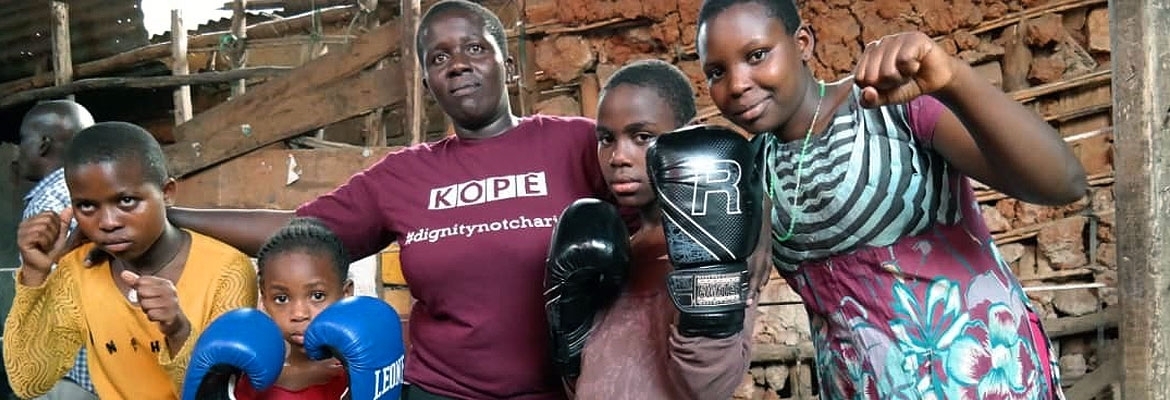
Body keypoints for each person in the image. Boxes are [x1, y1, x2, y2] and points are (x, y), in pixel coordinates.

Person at [158, 1, 627, 398]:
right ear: (426, 83)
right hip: (439, 390)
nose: (458, 64)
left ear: (508, 64)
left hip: (568, 389)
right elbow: (299, 233)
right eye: (439, 58)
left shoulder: (577, 144)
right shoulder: (404, 174)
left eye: (475, 48)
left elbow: (651, 212)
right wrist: (168, 216)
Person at [695, 0, 1088, 398]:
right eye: (716, 72)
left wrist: (953, 79)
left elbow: (1064, 183)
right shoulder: (752, 168)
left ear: (803, 43)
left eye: (757, 55)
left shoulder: (889, 102)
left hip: (976, 378)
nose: (737, 84)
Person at [4, 122, 259, 399]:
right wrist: (35, 272)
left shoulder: (227, 271)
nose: (108, 223)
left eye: (126, 201)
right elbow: (28, 380)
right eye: (87, 206)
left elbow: (219, 394)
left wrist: (178, 331)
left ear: (167, 193)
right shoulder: (80, 270)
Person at [566, 59, 771, 399]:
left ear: (684, 136)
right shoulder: (610, 249)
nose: (618, 156)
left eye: (641, 136)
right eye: (606, 138)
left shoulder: (721, 240)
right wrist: (568, 331)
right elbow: (585, 382)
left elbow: (707, 385)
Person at [13, 100, 97, 400]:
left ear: (44, 144)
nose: (17, 151)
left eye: (23, 140)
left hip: (72, 375)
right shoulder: (89, 189)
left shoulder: (47, 203)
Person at [234, 218, 353, 400]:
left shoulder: (361, 370)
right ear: (264, 299)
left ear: (346, 294)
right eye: (281, 299)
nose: (299, 314)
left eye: (317, 296)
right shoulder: (254, 378)